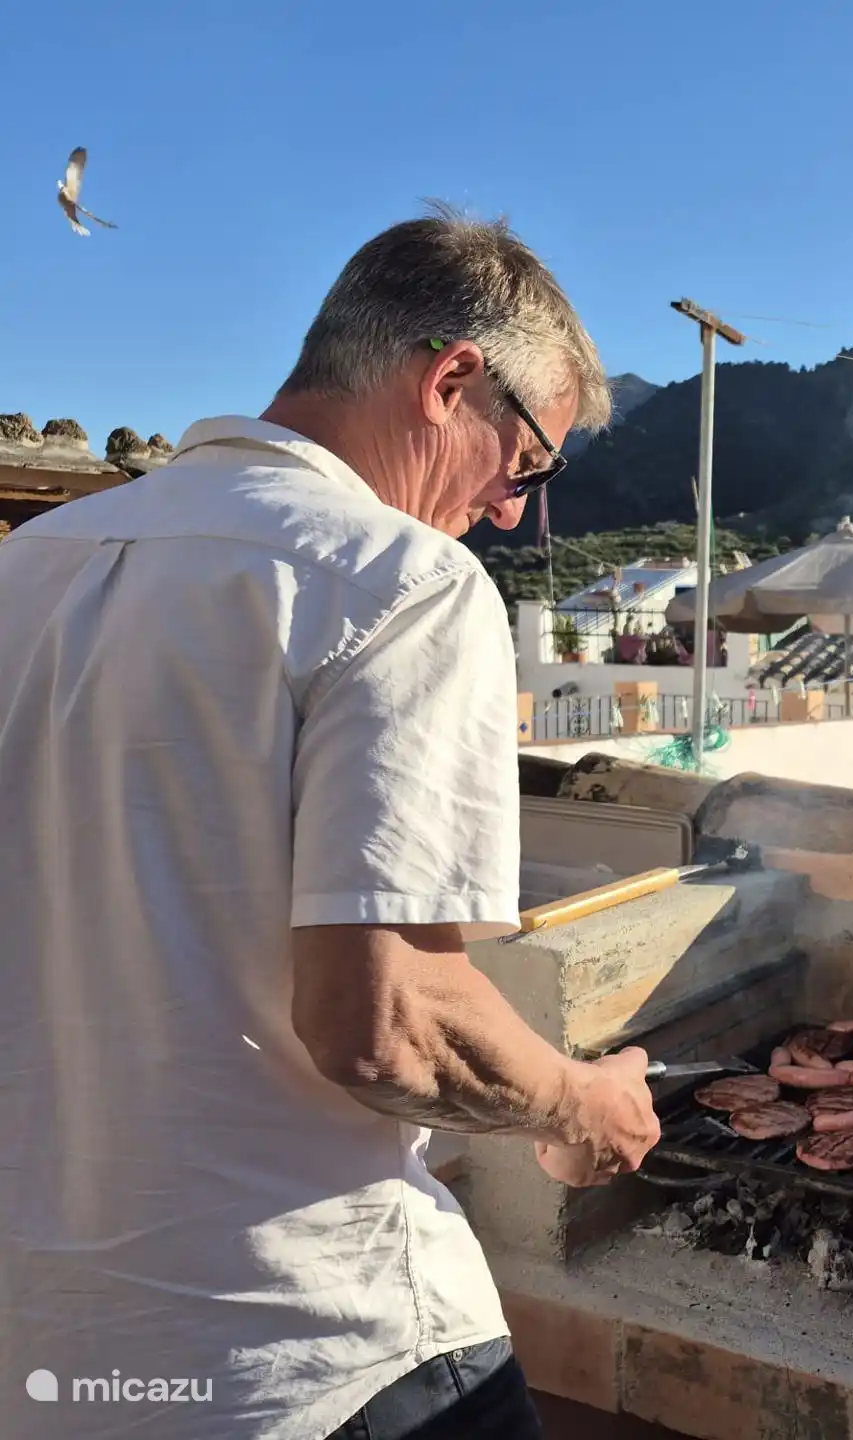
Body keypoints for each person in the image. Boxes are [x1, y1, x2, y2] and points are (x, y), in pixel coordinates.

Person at [0, 205, 661, 1440]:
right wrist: (578, 1105)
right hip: (305, 1357)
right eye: (528, 465)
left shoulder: (26, 566)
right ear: (453, 379)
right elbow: (387, 1023)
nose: (515, 511)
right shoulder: (400, 582)